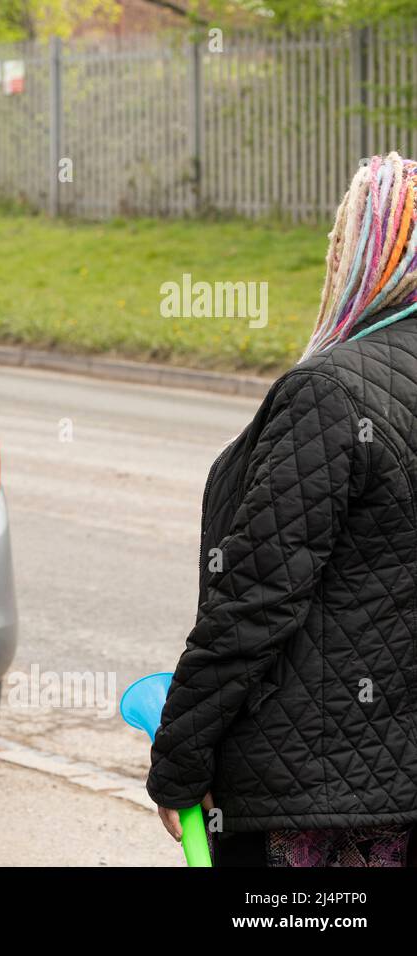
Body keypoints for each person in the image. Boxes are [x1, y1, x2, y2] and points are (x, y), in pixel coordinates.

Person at [149, 152, 417, 867]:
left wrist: (178, 758)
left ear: (359, 254)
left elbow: (257, 597)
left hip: (323, 798)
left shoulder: (332, 391)